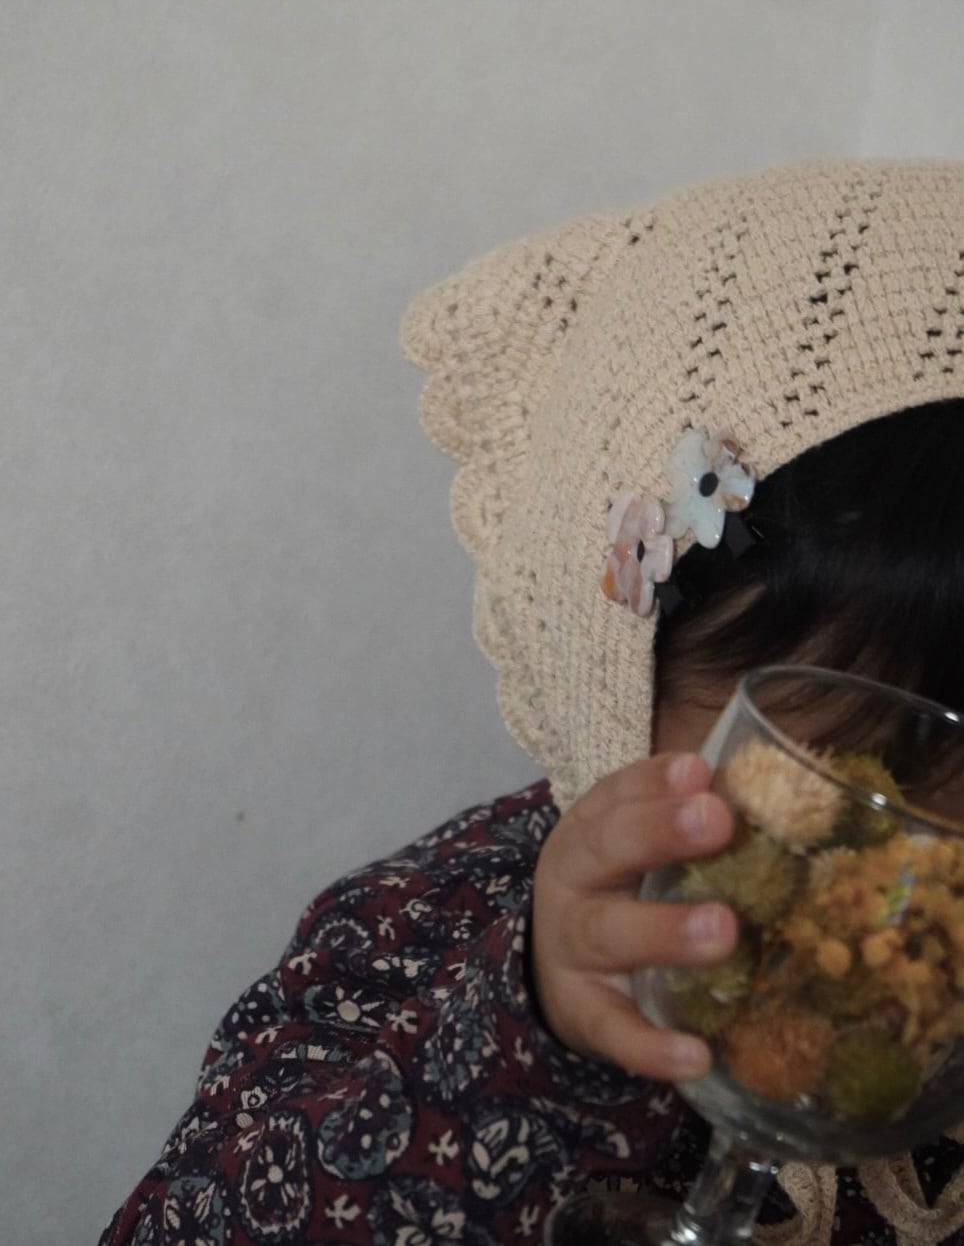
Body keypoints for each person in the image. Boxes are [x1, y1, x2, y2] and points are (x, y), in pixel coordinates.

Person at [100, 159, 964, 1245]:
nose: (906, 887)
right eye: (835, 790)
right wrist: (531, 1036)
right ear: (617, 685)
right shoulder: (430, 929)